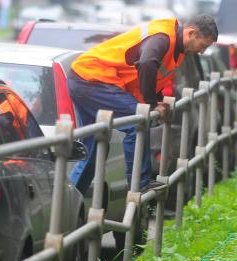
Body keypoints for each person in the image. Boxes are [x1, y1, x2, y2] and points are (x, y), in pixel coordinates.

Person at [68, 14, 218, 194]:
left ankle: (69, 206)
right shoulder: (162, 38)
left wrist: (157, 100)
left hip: (87, 78)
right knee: (138, 122)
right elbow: (146, 63)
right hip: (93, 78)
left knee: (93, 150)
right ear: (192, 33)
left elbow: (153, 76)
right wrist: (153, 104)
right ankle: (140, 184)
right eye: (203, 45)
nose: (201, 52)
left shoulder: (176, 49)